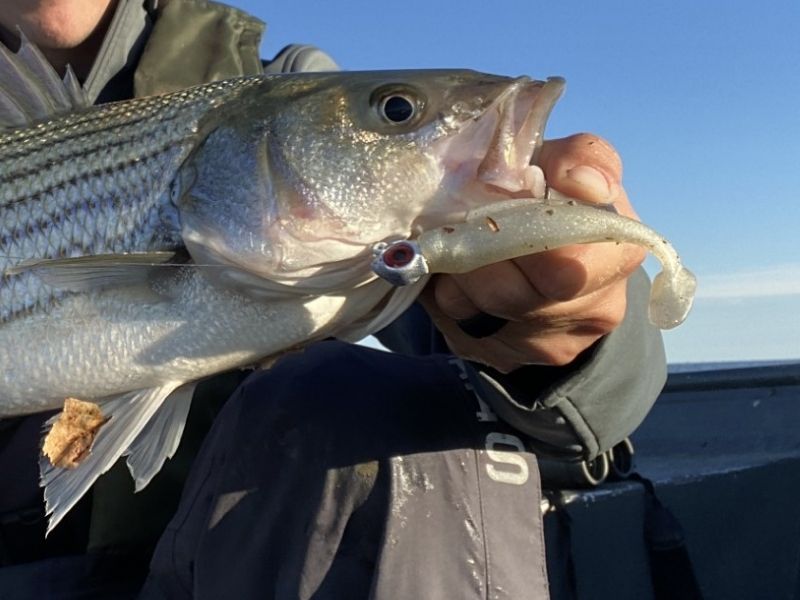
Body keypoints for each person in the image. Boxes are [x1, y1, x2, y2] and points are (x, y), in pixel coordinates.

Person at [0, 1, 667, 598]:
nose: (404, 118)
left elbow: (506, 391)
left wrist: (561, 341)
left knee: (361, 398)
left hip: (231, 552)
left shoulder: (277, 80)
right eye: (399, 112)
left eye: (395, 110)